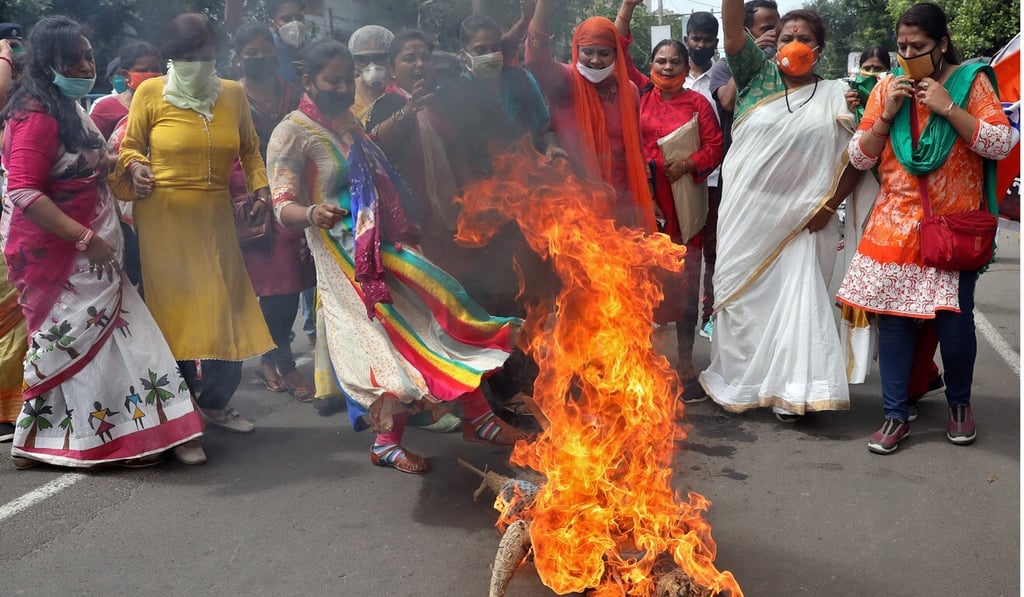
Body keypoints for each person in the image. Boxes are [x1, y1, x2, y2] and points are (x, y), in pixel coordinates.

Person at [267, 40, 531, 474]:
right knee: (393, 347)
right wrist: (313, 212)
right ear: (307, 80)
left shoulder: (347, 122)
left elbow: (375, 157)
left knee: (438, 321)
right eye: (332, 81)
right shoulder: (290, 133)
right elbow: (283, 205)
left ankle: (479, 418)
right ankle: (387, 442)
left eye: (345, 79)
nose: (341, 88)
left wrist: (406, 116)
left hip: (384, 247)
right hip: (344, 261)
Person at [1, 16, 204, 467]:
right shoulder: (35, 111)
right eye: (77, 60)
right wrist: (83, 237)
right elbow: (24, 190)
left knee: (109, 340)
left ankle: (39, 442)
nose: (87, 67)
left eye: (89, 56)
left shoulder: (64, 105)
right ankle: (119, 440)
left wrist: (124, 165)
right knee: (86, 343)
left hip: (94, 249)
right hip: (59, 256)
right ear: (52, 61)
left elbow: (91, 159)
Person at [836, 2, 1012, 454]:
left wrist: (948, 106)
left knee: (955, 329)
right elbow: (859, 158)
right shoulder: (886, 88)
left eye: (918, 46)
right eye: (902, 46)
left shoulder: (969, 84)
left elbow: (1000, 142)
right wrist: (887, 113)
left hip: (951, 230)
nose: (907, 54)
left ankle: (958, 405)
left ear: (942, 45)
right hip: (894, 230)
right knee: (893, 327)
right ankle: (895, 415)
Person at [699, 0, 866, 421]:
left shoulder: (837, 94)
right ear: (772, 44)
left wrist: (830, 205)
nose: (794, 43)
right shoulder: (755, 76)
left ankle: (792, 389)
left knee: (797, 300)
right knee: (739, 302)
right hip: (745, 216)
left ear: (820, 49)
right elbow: (733, 29)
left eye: (804, 38)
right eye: (787, 36)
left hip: (804, 219)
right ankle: (740, 381)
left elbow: (859, 158)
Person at [114, 13, 275, 434]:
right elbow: (129, 148)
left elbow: (251, 151)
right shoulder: (151, 92)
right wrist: (137, 167)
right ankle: (182, 415)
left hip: (215, 218)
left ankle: (217, 401)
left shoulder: (233, 95)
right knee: (176, 317)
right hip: (163, 217)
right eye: (184, 56)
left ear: (215, 54)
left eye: (202, 55)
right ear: (171, 57)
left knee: (229, 309)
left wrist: (261, 190)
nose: (194, 63)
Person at [615, 7, 724, 404]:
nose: (667, 66)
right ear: (650, 65)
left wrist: (689, 164)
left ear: (684, 64)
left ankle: (685, 364)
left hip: (683, 208)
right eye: (660, 60)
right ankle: (643, 363)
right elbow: (619, 48)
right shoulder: (640, 93)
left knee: (684, 287)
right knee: (643, 288)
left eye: (674, 61)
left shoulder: (698, 103)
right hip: (644, 209)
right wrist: (626, 9)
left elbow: (714, 147)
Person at [230, 22, 315, 401]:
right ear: (238, 58)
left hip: (294, 191)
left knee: (294, 279)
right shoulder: (230, 95)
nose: (260, 57)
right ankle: (275, 356)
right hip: (252, 198)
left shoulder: (291, 91)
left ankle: (276, 351)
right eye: (252, 52)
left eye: (266, 51)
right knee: (274, 283)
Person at [525, 0, 655, 230]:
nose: (595, 60)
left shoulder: (629, 91)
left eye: (604, 53)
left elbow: (636, 149)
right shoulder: (565, 82)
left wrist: (646, 198)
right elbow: (536, 58)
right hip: (574, 205)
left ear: (616, 54)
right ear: (577, 50)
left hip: (620, 204)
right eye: (588, 52)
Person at [701, 0, 780, 341]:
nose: (774, 35)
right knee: (724, 251)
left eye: (777, 26)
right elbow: (730, 101)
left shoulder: (791, 64)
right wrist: (749, 57)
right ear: (746, 30)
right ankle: (717, 314)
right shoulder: (723, 67)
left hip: (777, 178)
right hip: (737, 177)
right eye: (766, 28)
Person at [88, 42, 162, 140]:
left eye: (155, 70)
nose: (150, 75)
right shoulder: (105, 108)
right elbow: (93, 148)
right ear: (126, 76)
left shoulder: (170, 104)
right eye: (143, 71)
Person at [349, 25, 394, 128]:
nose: (372, 66)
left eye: (380, 58)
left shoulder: (400, 90)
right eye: (363, 59)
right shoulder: (348, 92)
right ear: (354, 60)